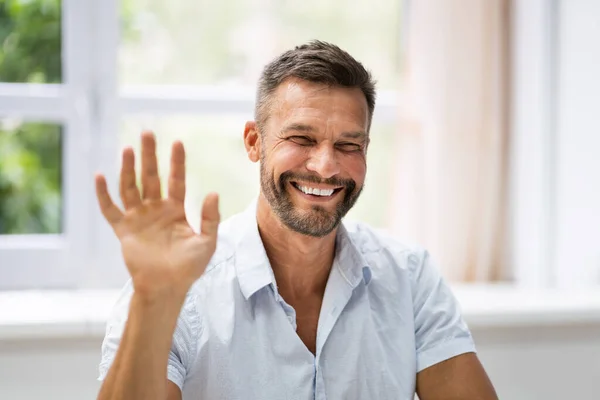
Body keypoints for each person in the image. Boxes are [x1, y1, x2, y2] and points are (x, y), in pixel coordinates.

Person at [96, 41, 498, 400]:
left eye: (348, 144)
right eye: (302, 139)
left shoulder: (409, 276)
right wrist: (153, 302)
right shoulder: (178, 288)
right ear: (255, 142)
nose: (325, 167)